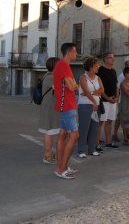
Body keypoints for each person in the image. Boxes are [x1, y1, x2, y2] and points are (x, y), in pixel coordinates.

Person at [53, 43, 79, 180]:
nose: (76, 54)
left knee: (63, 135)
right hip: (68, 106)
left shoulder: (63, 65)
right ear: (69, 53)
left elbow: (73, 84)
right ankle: (62, 169)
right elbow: (72, 85)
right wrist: (74, 85)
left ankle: (60, 167)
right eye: (75, 52)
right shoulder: (63, 65)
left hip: (65, 105)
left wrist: (74, 84)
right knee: (74, 136)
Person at [77, 57, 104, 158]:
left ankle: (92, 150)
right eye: (96, 65)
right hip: (85, 105)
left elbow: (101, 90)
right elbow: (85, 91)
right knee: (84, 128)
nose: (98, 67)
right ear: (91, 67)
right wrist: (93, 101)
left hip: (95, 105)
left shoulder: (98, 78)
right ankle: (80, 150)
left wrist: (92, 93)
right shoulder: (83, 77)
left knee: (94, 128)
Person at [38, 57, 60, 165]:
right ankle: (47, 156)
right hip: (50, 107)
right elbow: (58, 92)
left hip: (48, 106)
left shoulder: (47, 75)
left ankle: (49, 154)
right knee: (49, 131)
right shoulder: (52, 77)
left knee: (50, 131)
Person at [96, 52, 119, 152]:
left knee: (109, 122)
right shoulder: (100, 70)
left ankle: (108, 142)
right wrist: (107, 97)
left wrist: (117, 97)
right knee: (100, 123)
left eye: (113, 58)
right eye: (110, 58)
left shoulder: (113, 71)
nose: (113, 60)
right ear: (105, 60)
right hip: (104, 100)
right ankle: (96, 144)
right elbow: (99, 87)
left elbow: (116, 85)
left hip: (113, 101)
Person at [113, 60, 129, 142]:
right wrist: (117, 98)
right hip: (122, 101)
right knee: (120, 118)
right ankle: (115, 134)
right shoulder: (121, 76)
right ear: (126, 66)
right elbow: (118, 87)